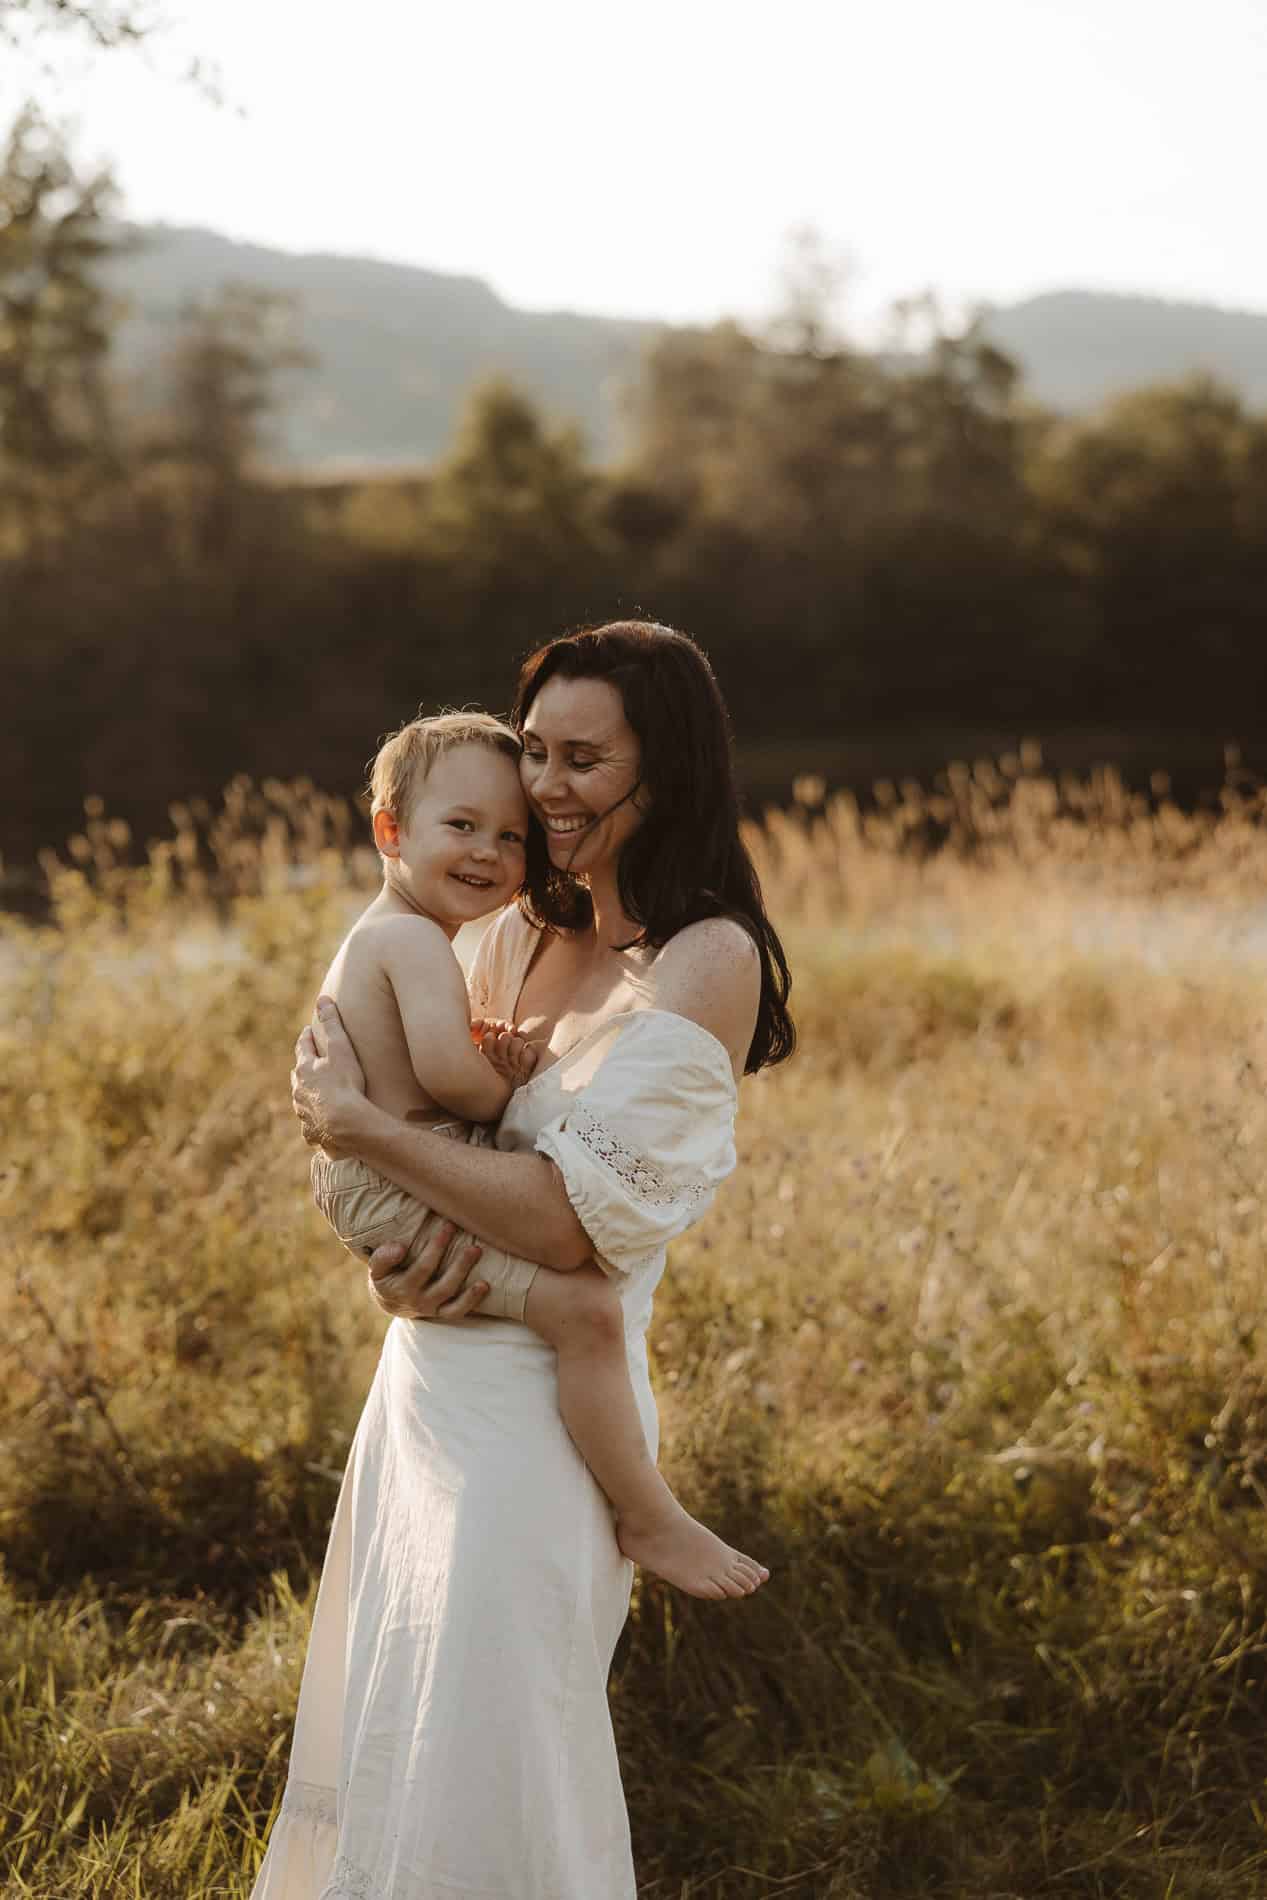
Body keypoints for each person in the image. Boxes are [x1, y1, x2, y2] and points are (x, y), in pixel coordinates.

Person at [258, 621, 794, 1900]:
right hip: (428, 1386)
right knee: (400, 1733)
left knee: (498, 1752)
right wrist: (387, 1261)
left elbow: (562, 1222)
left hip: (544, 1427)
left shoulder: (698, 959)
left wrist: (362, 1130)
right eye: (535, 750)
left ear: (663, 770)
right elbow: (442, 1141)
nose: (543, 787)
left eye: (582, 757)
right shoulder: (506, 930)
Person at [310, 705, 768, 1597]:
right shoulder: (432, 938)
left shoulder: (698, 955)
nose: (490, 851)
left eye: (507, 835)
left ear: (665, 771)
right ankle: (648, 1513)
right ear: (389, 830)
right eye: (462, 827)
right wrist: (518, 1082)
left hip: (403, 1207)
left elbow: (430, 1103)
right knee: (582, 1312)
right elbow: (447, 1077)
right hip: (418, 1278)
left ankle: (644, 1512)